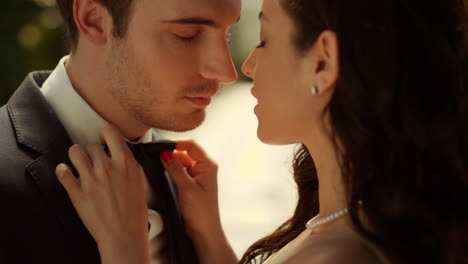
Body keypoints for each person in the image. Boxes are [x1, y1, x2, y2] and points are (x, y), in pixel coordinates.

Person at [55, 0, 468, 263]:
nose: (242, 67)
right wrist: (210, 236)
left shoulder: (341, 253)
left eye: (266, 39)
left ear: (322, 62)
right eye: (186, 34)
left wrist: (125, 249)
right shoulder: (355, 220)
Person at [0, 0, 241, 263]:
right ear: (94, 19)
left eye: (226, 34)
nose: (227, 72)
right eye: (188, 35)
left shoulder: (180, 180)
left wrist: (210, 240)